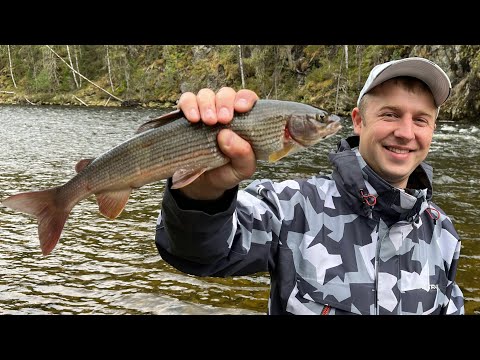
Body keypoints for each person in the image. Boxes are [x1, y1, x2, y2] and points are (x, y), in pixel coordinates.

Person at [155, 57, 465, 315]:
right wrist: (202, 195)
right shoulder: (292, 206)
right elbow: (198, 252)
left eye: (421, 120)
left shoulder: (444, 235)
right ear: (358, 121)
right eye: (390, 114)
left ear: (433, 129)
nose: (406, 132)